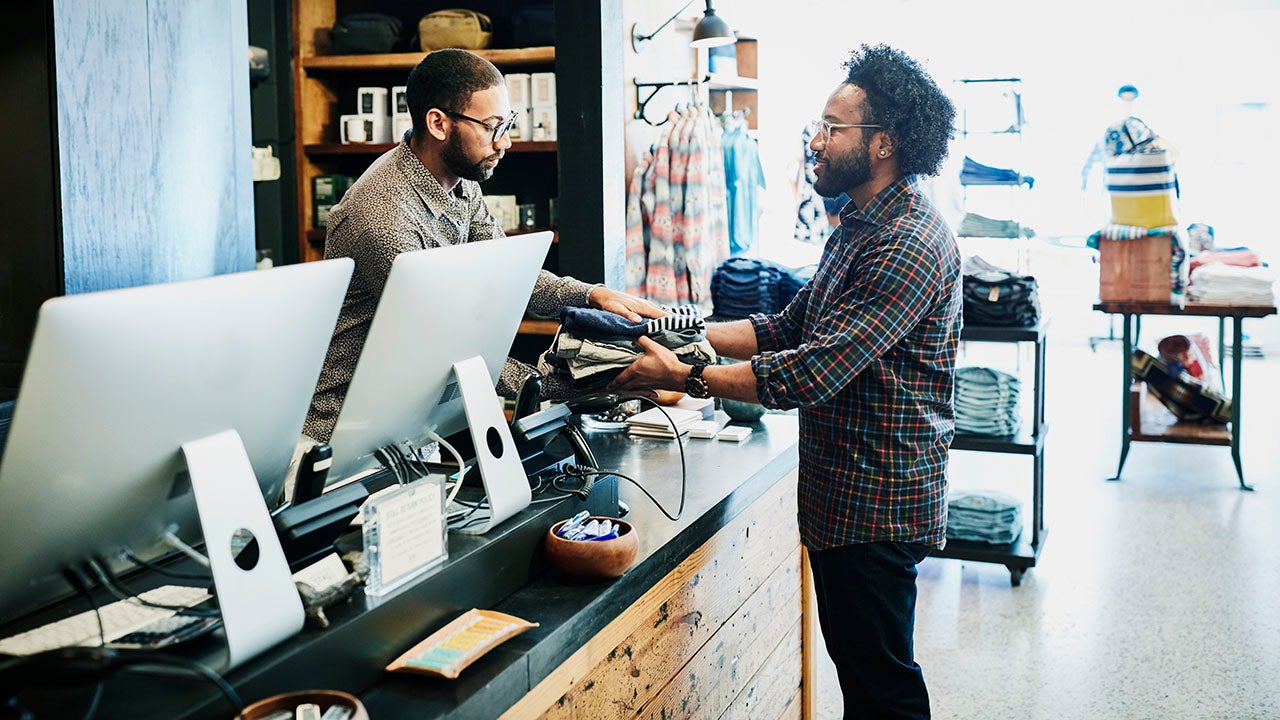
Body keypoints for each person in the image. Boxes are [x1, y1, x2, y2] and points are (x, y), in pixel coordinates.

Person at [613, 44, 961, 719]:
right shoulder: (859, 227)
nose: (817, 140)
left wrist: (684, 376)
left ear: (883, 144)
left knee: (883, 690)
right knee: (866, 679)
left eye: (833, 127)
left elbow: (813, 370)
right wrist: (677, 322)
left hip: (877, 504)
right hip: (846, 501)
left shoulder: (908, 242)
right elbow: (787, 326)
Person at [305, 49, 660, 442]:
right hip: (350, 436)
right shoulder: (383, 217)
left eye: (507, 123)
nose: (505, 141)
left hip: (416, 417)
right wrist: (574, 383)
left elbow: (508, 276)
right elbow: (447, 347)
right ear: (439, 123)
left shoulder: (460, 181)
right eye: (493, 126)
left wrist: (593, 296)